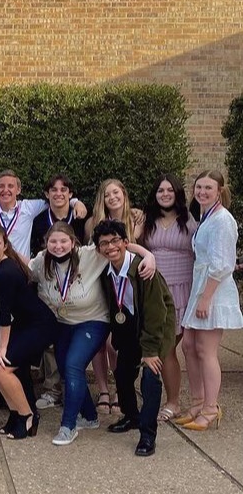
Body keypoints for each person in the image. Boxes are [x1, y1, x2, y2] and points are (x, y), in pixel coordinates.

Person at [30, 222, 155, 446]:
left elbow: (119, 247)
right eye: (53, 241)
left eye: (63, 241)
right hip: (62, 323)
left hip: (93, 321)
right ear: (46, 243)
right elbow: (23, 268)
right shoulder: (41, 261)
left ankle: (68, 426)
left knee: (73, 365)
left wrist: (148, 255)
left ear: (73, 242)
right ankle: (89, 417)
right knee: (67, 371)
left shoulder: (89, 255)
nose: (58, 246)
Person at [95, 219, 175, 456]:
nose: (110, 247)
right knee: (122, 372)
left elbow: (156, 312)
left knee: (150, 377)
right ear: (99, 249)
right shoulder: (106, 274)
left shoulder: (143, 269)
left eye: (115, 241)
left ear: (126, 243)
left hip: (156, 327)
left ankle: (147, 435)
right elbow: (116, 309)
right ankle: (131, 416)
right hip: (131, 324)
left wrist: (150, 351)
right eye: (104, 243)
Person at [177, 171, 243, 431]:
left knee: (206, 350)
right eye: (199, 187)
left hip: (213, 291)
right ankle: (197, 401)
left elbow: (223, 264)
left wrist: (205, 299)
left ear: (219, 191)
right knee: (189, 346)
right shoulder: (205, 217)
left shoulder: (222, 220)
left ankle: (210, 408)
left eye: (208, 188)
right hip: (200, 288)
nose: (202, 192)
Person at [0, 225, 57, 439]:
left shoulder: (6, 271)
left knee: (0, 367)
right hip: (26, 322)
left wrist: (3, 348)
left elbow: (4, 314)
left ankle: (27, 416)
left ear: (5, 245)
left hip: (40, 325)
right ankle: (16, 413)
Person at [84, 178, 145, 415]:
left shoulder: (136, 219)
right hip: (102, 284)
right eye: (107, 194)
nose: (112, 197)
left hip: (126, 286)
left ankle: (121, 388)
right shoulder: (92, 223)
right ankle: (103, 390)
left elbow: (137, 247)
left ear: (124, 194)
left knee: (117, 343)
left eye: (116, 192)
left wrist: (147, 255)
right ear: (102, 199)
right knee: (100, 340)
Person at [140, 174, 197, 422]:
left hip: (183, 290)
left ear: (177, 193)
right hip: (155, 292)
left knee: (170, 349)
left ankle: (174, 402)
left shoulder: (190, 222)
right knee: (164, 349)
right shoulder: (147, 221)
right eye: (160, 190)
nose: (165, 194)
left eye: (169, 190)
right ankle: (170, 400)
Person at [29, 174, 87, 412]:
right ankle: (53, 389)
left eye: (64, 190)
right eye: (53, 189)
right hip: (50, 284)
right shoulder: (40, 219)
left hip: (78, 285)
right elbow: (35, 252)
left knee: (73, 339)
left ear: (71, 193)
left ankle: (72, 387)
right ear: (47, 194)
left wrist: (78, 204)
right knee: (50, 341)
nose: (59, 193)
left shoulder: (82, 215)